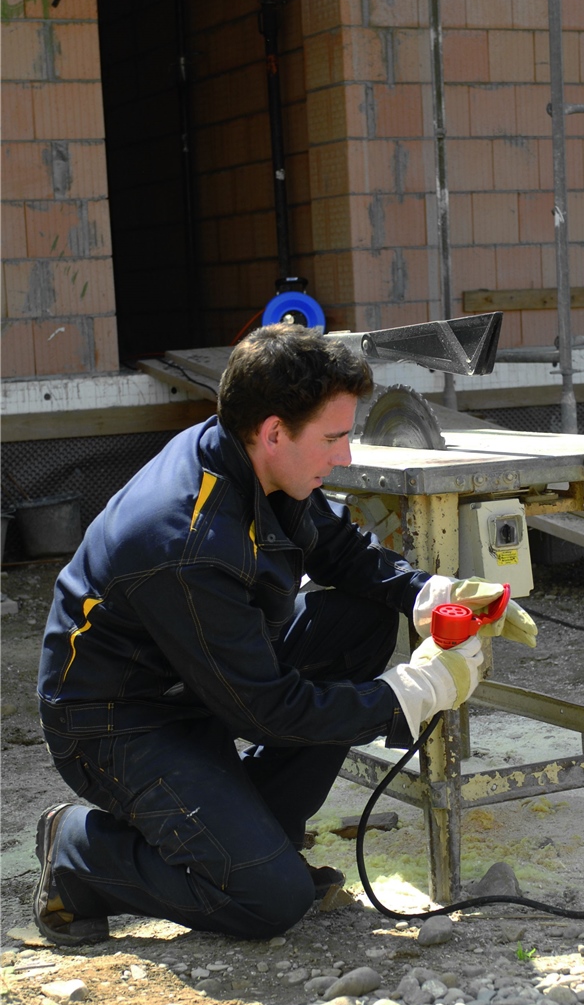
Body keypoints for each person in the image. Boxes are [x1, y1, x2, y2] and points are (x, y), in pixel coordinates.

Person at [34, 323, 537, 946]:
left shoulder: (249, 457)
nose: (345, 456)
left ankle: (254, 836)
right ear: (275, 432)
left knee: (358, 619)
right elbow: (266, 711)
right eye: (333, 438)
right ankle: (79, 852)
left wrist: (430, 593)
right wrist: (414, 692)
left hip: (196, 677)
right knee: (271, 899)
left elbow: (338, 549)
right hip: (121, 722)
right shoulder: (187, 542)